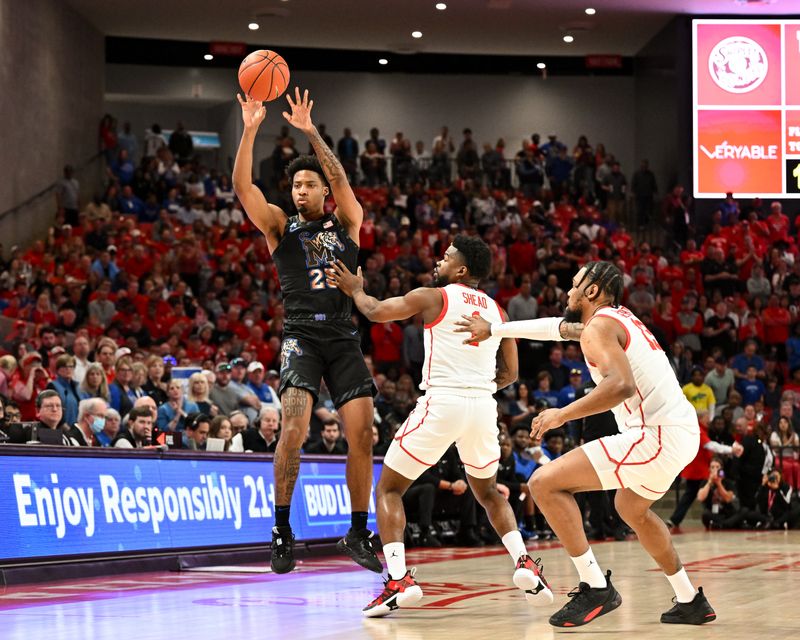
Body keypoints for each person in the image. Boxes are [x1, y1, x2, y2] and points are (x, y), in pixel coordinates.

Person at [329, 235, 583, 617]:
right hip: (482, 407)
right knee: (490, 494)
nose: (439, 261)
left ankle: (399, 581)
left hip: (442, 402)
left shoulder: (435, 296)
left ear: (461, 269)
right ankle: (525, 562)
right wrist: (477, 387)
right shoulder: (499, 312)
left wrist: (355, 289)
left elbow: (377, 312)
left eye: (446, 257)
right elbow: (511, 373)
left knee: (390, 488)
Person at [459, 260, 716, 627]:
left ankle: (596, 586)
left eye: (574, 283)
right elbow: (555, 329)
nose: (567, 290)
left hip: (655, 434)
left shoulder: (599, 327)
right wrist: (496, 329)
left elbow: (621, 385)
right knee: (631, 508)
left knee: (544, 483)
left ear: (591, 291)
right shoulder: (614, 319)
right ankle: (690, 599)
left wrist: (560, 414)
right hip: (677, 432)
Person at [234, 88, 378, 574]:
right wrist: (251, 129)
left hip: (342, 335)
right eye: (295, 184)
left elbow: (342, 178)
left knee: (363, 437)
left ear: (324, 192)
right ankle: (281, 528)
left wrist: (312, 132)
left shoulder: (348, 223)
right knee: (293, 429)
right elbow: (243, 190)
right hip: (301, 336)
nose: (299, 190)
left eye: (309, 184)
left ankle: (358, 530)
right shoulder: (279, 226)